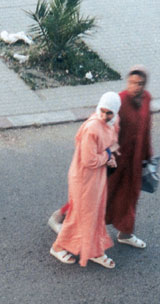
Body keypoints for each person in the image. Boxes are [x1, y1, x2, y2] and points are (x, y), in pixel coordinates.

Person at [49, 92, 121, 269]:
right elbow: (89, 160)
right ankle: (58, 247)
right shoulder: (92, 128)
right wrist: (107, 155)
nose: (104, 116)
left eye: (109, 113)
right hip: (84, 178)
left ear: (116, 112)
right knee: (81, 214)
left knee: (94, 213)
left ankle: (94, 250)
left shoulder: (110, 123)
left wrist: (108, 156)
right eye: (102, 111)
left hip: (95, 177)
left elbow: (106, 148)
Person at [104, 67, 154, 249]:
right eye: (132, 83)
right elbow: (104, 126)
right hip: (115, 160)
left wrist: (147, 156)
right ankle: (69, 219)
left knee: (130, 196)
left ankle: (126, 232)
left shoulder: (146, 99)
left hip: (134, 160)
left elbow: (147, 128)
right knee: (102, 194)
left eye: (139, 84)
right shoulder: (119, 101)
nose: (136, 87)